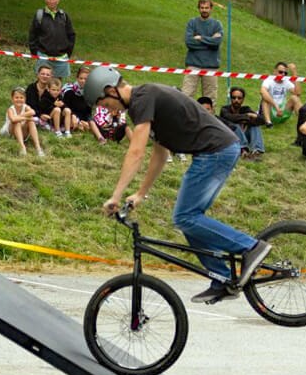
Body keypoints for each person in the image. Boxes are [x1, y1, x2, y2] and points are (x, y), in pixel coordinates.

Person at [84, 66, 272, 304]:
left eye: (105, 104)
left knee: (185, 217)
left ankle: (250, 247)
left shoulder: (143, 98)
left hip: (215, 152)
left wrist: (116, 195)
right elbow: (159, 154)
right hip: (216, 151)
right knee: (190, 220)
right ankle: (223, 278)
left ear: (111, 90)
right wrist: (141, 193)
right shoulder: (144, 104)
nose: (106, 109)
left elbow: (136, 152)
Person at [181, 0, 223, 102]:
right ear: (199, 9)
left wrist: (200, 38)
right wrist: (210, 40)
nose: (204, 10)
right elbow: (189, 42)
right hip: (193, 64)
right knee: (186, 95)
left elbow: (216, 43)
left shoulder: (217, 24)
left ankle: (209, 118)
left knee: (210, 98)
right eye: (202, 8)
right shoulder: (192, 23)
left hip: (211, 66)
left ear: (211, 9)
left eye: (206, 8)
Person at [28, 0, 74, 79]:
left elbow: (71, 34)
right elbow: (33, 34)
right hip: (44, 56)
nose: (51, 1)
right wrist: (35, 52)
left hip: (61, 57)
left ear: (58, 0)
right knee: (42, 83)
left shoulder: (64, 15)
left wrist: (68, 52)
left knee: (57, 86)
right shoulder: (39, 15)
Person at [219, 86, 263, 161]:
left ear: (243, 99)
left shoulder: (245, 109)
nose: (236, 100)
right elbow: (230, 118)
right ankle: (243, 150)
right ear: (230, 98)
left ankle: (256, 151)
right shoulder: (224, 109)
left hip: (244, 135)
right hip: (230, 138)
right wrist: (248, 116)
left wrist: (247, 119)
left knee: (255, 126)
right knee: (234, 125)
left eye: (239, 98)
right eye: (234, 97)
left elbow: (261, 120)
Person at [5, 86, 45, 156]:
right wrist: (26, 118)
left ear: (25, 99)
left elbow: (33, 112)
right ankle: (22, 147)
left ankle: (38, 147)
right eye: (16, 97)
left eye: (21, 98)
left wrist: (22, 117)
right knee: (17, 122)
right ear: (12, 99)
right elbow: (13, 119)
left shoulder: (25, 107)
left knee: (31, 122)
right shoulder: (11, 109)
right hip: (12, 132)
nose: (19, 100)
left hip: (24, 132)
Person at [61, 66, 92, 133]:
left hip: (81, 118)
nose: (83, 81)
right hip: (68, 115)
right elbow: (64, 106)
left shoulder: (89, 93)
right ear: (77, 78)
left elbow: (88, 112)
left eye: (85, 79)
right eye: (81, 78)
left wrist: (84, 121)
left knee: (88, 126)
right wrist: (73, 116)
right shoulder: (69, 90)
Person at [25, 64, 56, 130]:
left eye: (48, 75)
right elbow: (29, 105)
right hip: (33, 115)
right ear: (38, 75)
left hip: (48, 117)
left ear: (51, 77)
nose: (45, 76)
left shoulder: (53, 90)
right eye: (42, 74)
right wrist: (40, 115)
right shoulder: (31, 88)